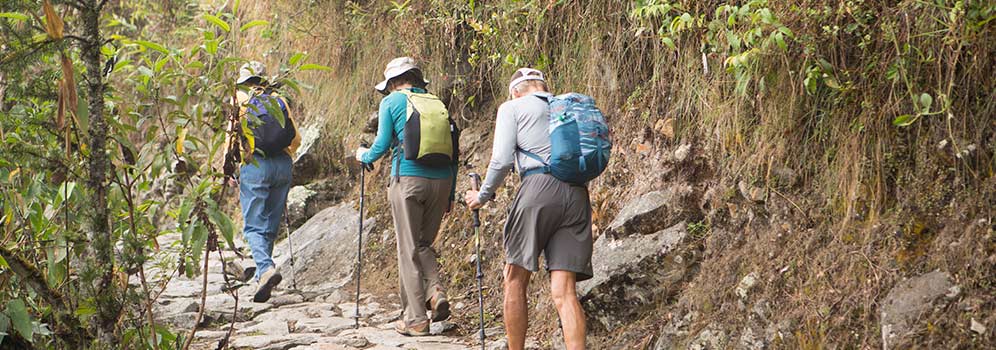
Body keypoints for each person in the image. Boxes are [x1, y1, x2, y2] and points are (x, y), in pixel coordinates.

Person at [464, 68, 593, 350]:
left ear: (516, 90)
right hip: (577, 194)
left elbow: (500, 161)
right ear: (544, 87)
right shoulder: (564, 107)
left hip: (538, 189)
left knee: (515, 278)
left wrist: (482, 196)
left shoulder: (512, 107)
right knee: (565, 291)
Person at [355, 57, 457, 336]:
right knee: (423, 244)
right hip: (442, 182)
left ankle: (415, 320)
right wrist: (451, 193)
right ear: (417, 78)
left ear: (392, 83)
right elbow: (454, 151)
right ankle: (435, 293)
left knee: (407, 250)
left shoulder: (392, 102)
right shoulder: (437, 102)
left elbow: (381, 144)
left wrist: (362, 155)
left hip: (408, 181)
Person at [228, 61, 300, 303]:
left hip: (255, 165)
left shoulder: (239, 99)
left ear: (243, 82)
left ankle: (266, 269)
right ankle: (263, 277)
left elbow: (231, 138)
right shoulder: (277, 98)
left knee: (253, 225)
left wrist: (228, 168)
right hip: (282, 165)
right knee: (270, 223)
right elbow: (295, 138)